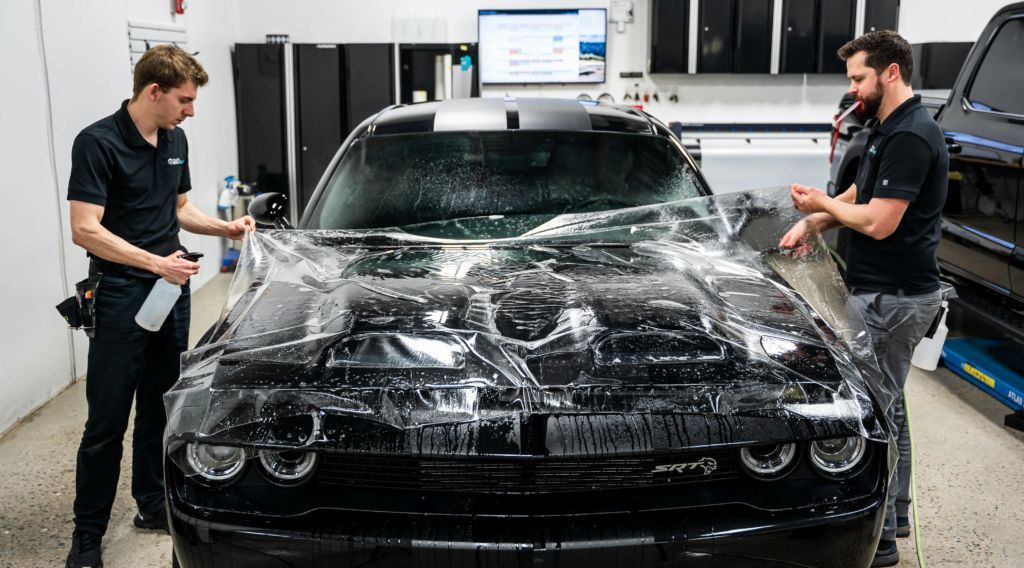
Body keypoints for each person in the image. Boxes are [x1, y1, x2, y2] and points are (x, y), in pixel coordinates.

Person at [64, 45, 255, 568]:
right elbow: (86, 228)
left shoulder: (175, 139)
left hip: (169, 291)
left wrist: (227, 228)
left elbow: (178, 209)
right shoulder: (98, 142)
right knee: (106, 422)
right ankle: (87, 536)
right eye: (184, 100)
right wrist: (155, 263)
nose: (190, 111)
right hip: (123, 292)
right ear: (154, 91)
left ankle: (150, 504)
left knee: (159, 408)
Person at [778, 30, 947, 567]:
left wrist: (825, 204)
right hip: (876, 291)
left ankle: (884, 540)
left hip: (896, 299)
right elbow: (859, 195)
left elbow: (877, 221)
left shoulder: (913, 136)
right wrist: (817, 219)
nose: (853, 89)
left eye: (859, 78)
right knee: (885, 403)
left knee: (875, 410)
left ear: (890, 72)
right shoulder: (884, 128)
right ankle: (892, 515)